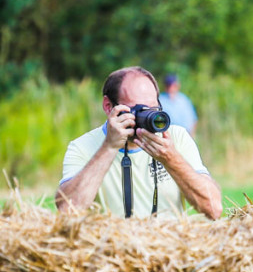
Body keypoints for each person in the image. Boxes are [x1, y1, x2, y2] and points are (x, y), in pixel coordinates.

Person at [56, 66, 222, 220]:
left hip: (169, 247)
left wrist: (171, 158)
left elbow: (213, 209)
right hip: (111, 249)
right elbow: (67, 211)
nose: (148, 117)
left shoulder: (176, 138)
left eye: (152, 109)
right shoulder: (82, 147)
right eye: (138, 110)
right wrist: (109, 147)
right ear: (108, 106)